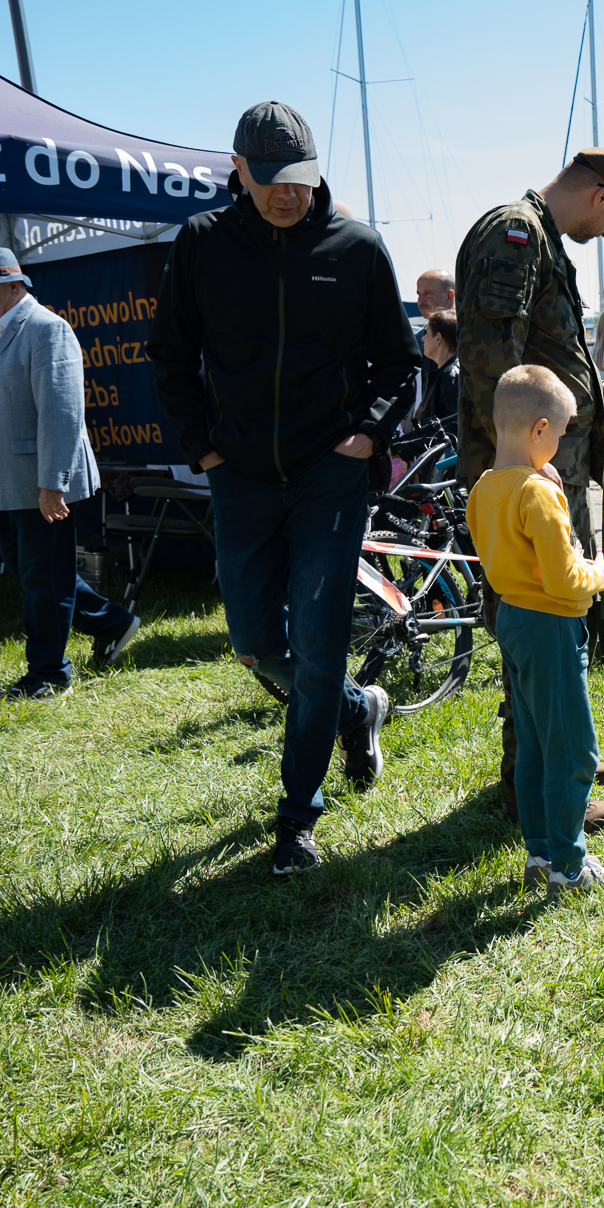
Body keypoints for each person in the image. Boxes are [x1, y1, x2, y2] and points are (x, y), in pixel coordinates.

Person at [148, 101, 417, 874]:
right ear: (238, 170)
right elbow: (170, 353)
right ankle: (357, 708)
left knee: (321, 643)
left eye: (298, 177)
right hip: (238, 474)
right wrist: (203, 449)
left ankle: (298, 815)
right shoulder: (202, 243)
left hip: (329, 474)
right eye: (269, 179)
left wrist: (366, 435)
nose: (286, 193)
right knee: (256, 643)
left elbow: (400, 363)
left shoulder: (357, 246)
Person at [453, 146, 604, 826]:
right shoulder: (516, 234)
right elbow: (491, 365)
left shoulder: (539, 238)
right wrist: (524, 470)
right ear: (602, 195)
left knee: (563, 622)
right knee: (540, 625)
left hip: (546, 472)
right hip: (529, 479)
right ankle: (537, 788)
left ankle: (559, 757)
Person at [0, 249, 139, 695]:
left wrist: (53, 483)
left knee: (42, 580)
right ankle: (111, 622)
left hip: (38, 481)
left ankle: (49, 674)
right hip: (6, 477)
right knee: (29, 570)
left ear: (15, 285)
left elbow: (61, 412)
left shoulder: (46, 328)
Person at [466, 365, 604, 892]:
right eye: (558, 433)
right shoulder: (537, 493)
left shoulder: (484, 488)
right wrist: (600, 574)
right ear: (539, 430)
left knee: (533, 745)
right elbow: (563, 581)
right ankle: (569, 865)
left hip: (513, 619)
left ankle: (539, 855)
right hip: (552, 626)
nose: (560, 443)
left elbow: (508, 559)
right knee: (575, 751)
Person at [408, 307, 459, 426]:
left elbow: (452, 430)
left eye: (426, 333)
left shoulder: (451, 377)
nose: (423, 338)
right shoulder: (446, 374)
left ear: (438, 338)